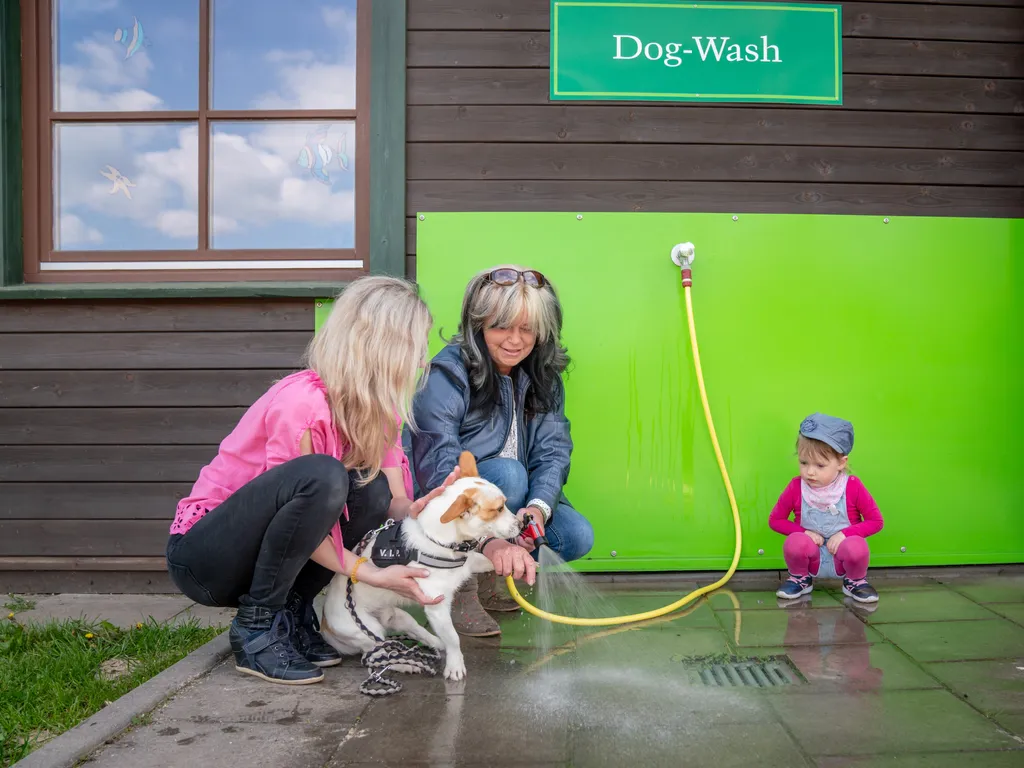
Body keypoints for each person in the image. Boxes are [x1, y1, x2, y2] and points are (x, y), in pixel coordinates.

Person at [165, 276, 475, 686]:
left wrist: (420, 508)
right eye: (416, 350)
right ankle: (256, 628)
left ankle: (292, 613)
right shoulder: (303, 403)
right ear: (382, 345)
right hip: (206, 559)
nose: (421, 364)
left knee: (373, 489)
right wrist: (372, 574)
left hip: (266, 557)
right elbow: (303, 510)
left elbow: (394, 500)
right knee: (324, 476)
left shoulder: (378, 414)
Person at [408, 265, 595, 637]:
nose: (515, 340)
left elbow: (553, 451)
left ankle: (493, 576)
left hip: (504, 505)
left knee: (575, 534)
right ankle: (459, 586)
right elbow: (438, 464)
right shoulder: (447, 374)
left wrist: (538, 509)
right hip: (445, 507)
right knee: (509, 473)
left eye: (527, 328)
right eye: (501, 327)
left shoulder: (544, 378)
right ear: (478, 326)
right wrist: (491, 540)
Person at [769, 413, 883, 604]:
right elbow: (775, 520)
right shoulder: (796, 486)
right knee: (795, 542)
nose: (810, 472)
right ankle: (800, 578)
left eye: (820, 465)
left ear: (841, 463)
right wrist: (804, 532)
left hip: (841, 555)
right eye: (803, 462)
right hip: (811, 555)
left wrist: (845, 534)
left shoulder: (852, 486)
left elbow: (876, 522)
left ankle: (855, 581)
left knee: (857, 546)